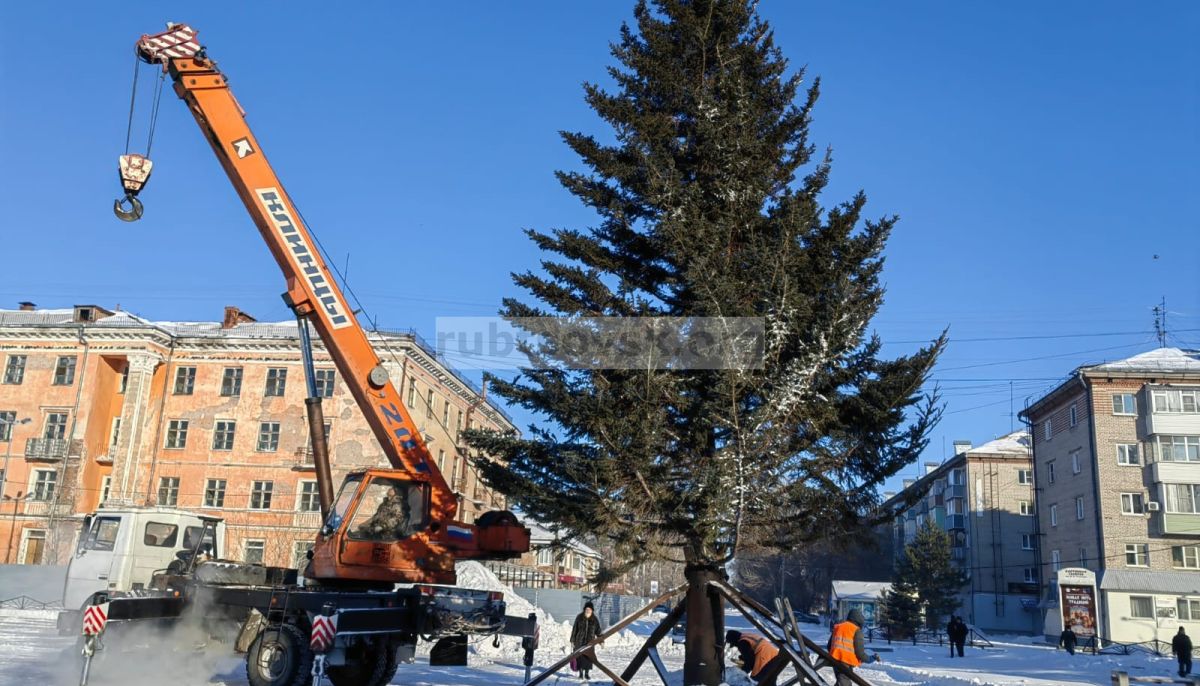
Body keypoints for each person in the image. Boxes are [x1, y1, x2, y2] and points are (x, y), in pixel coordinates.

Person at [828, 609, 872, 685]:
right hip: (846, 662)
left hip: (834, 660)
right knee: (845, 683)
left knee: (841, 682)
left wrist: (836, 654)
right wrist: (870, 659)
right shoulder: (856, 630)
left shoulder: (838, 627)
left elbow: (829, 646)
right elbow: (860, 653)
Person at [571, 601, 603, 681]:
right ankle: (581, 673)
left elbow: (598, 631)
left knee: (588, 659)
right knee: (580, 658)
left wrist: (601, 641)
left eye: (589, 609)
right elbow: (575, 629)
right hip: (579, 642)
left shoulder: (594, 619)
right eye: (587, 609)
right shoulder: (579, 617)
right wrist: (572, 640)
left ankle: (587, 674)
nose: (588, 610)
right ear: (584, 609)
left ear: (592, 610)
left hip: (590, 642)